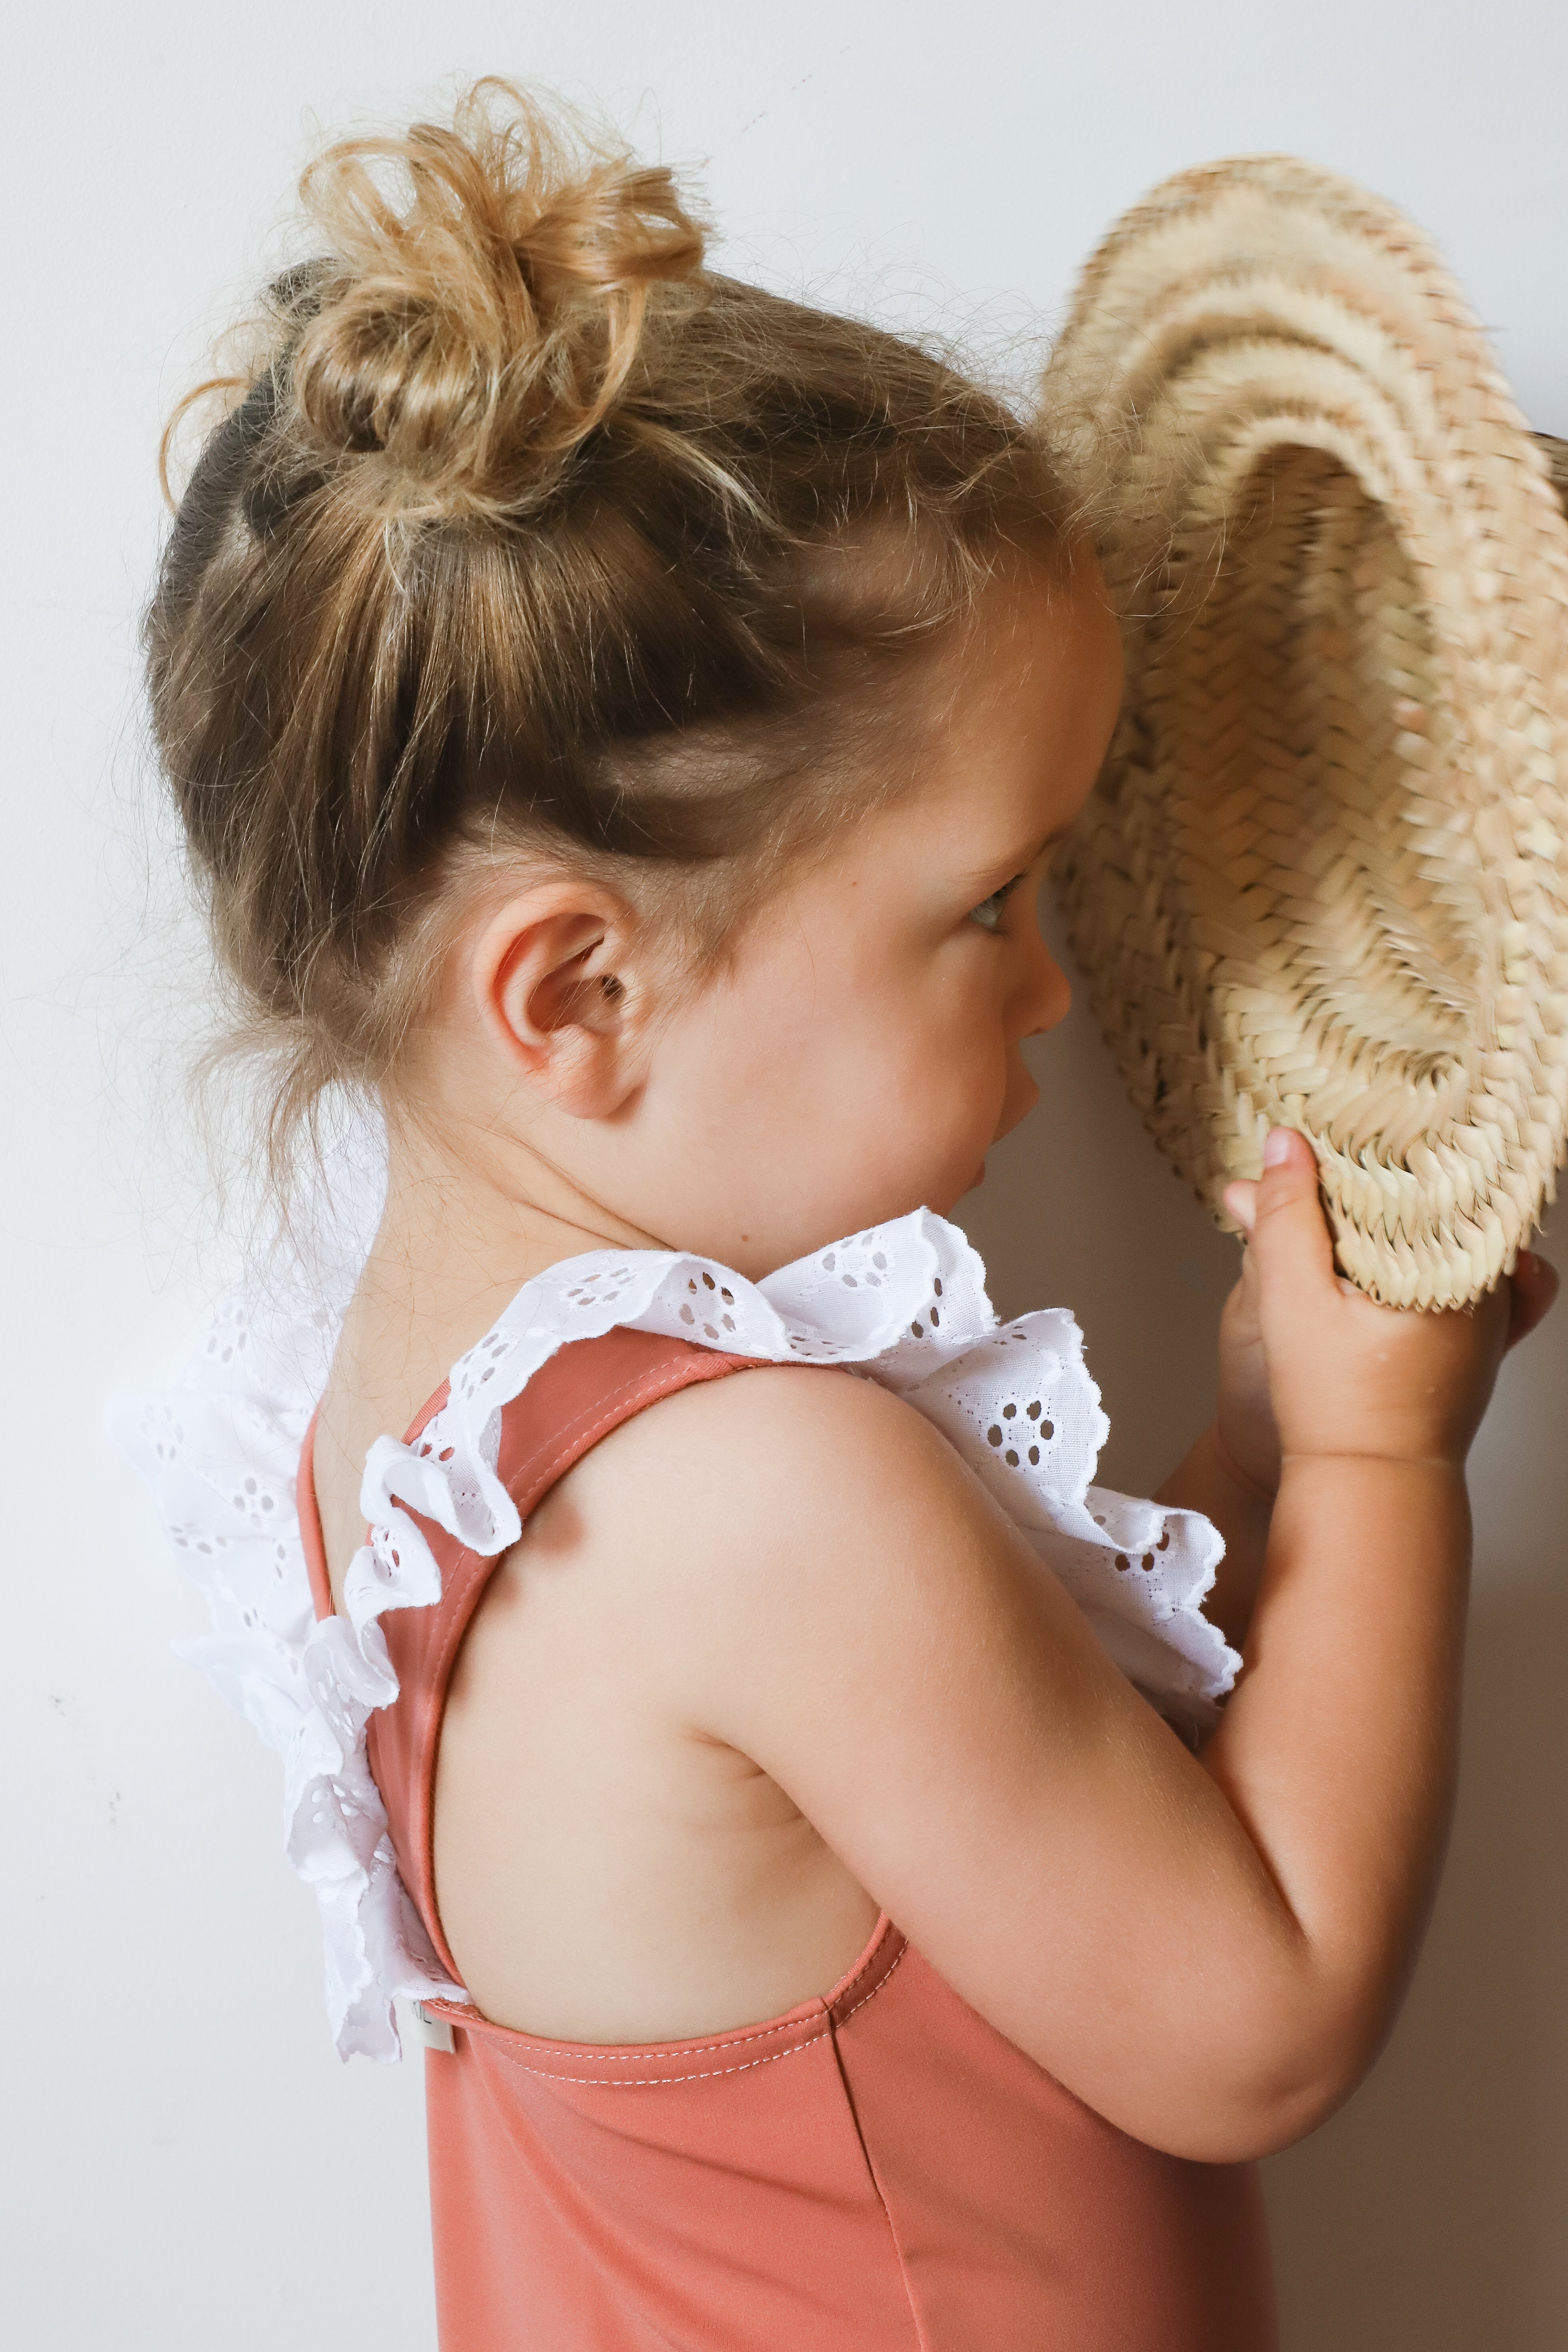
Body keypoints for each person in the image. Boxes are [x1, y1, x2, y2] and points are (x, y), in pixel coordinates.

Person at [125, 79, 1556, 2351]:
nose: (1058, 990)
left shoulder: (404, 1429)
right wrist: (1389, 1464)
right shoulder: (757, 1498)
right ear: (582, 993)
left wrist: (1265, 1468)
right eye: (985, 904)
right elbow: (1250, 2005)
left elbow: (1025, 1816)